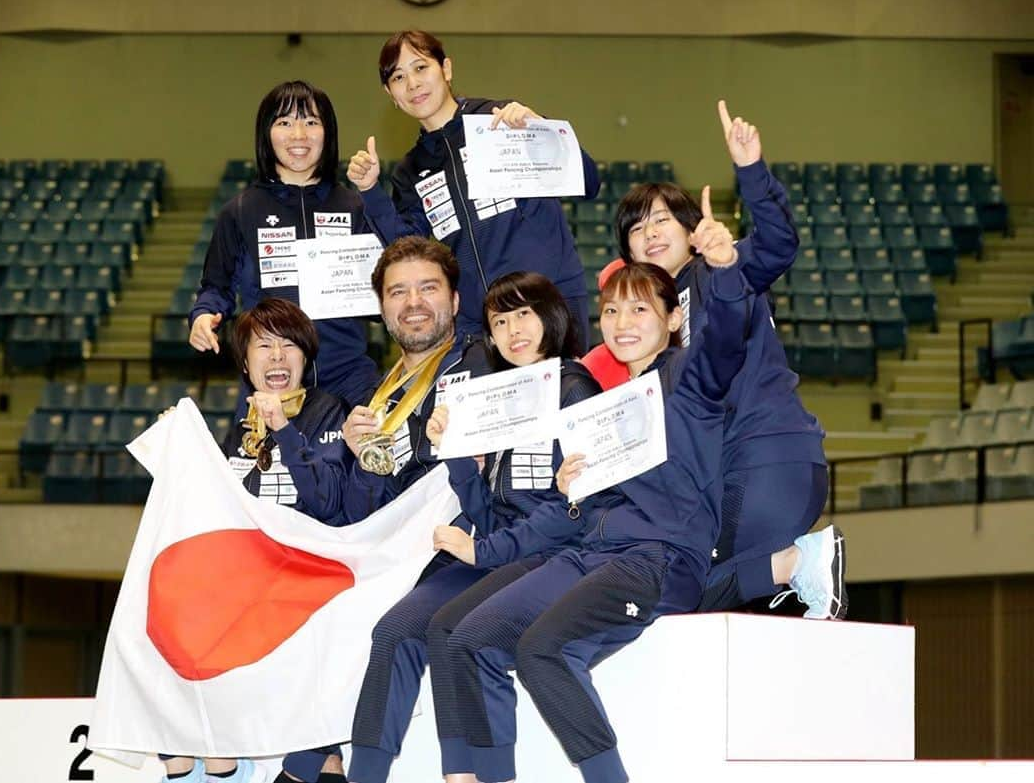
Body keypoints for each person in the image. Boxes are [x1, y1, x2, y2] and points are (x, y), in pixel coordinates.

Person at [445, 253, 755, 783]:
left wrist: (725, 271)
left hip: (658, 557)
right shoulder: (609, 405)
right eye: (611, 311)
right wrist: (572, 492)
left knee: (542, 650)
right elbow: (588, 510)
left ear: (675, 317)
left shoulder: (688, 378)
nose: (623, 322)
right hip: (594, 551)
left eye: (640, 309)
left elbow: (726, 338)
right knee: (471, 638)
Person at [582, 100, 845, 620]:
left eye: (662, 221)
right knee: (681, 590)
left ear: (692, 231)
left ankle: (801, 562)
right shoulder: (649, 324)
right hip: (732, 472)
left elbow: (777, 245)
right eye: (636, 229)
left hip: (765, 458)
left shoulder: (718, 271)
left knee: (674, 584)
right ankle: (795, 569)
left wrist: (750, 170)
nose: (650, 233)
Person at [345, 272, 603, 783]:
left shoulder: (576, 391)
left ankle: (470, 775)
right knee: (393, 631)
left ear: (551, 317)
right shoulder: (502, 395)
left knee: (450, 630)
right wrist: (456, 451)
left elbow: (572, 511)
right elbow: (486, 510)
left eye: (524, 314)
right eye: (499, 322)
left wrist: (482, 551)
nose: (513, 331)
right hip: (495, 547)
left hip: (548, 553)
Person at [276, 235, 490, 783]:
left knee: (386, 628)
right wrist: (354, 454)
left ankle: (315, 771)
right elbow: (357, 511)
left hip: (468, 550)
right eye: (398, 292)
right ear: (382, 309)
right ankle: (316, 765)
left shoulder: (485, 362)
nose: (413, 303)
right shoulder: (377, 396)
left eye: (427, 288)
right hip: (400, 554)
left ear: (456, 301)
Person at [162, 297, 352, 783]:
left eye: (289, 346)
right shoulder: (240, 429)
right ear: (245, 362)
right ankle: (209, 759)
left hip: (308, 580)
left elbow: (328, 503)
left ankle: (223, 758)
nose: (276, 357)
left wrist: (285, 431)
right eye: (263, 346)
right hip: (246, 580)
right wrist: (180, 455)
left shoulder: (330, 413)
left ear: (307, 359)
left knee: (322, 752)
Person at [346, 30, 600, 346]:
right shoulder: (409, 171)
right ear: (391, 94)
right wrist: (370, 190)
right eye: (398, 77)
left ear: (446, 69)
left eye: (421, 68)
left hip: (548, 303)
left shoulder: (501, 120)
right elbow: (407, 251)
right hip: (477, 326)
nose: (412, 83)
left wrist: (543, 133)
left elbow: (589, 184)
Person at [190, 80, 379, 409]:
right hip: (271, 381)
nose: (299, 135)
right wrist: (204, 315)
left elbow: (384, 287)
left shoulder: (355, 206)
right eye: (285, 122)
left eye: (311, 122)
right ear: (266, 133)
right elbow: (215, 287)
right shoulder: (240, 211)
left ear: (328, 132)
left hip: (350, 380)